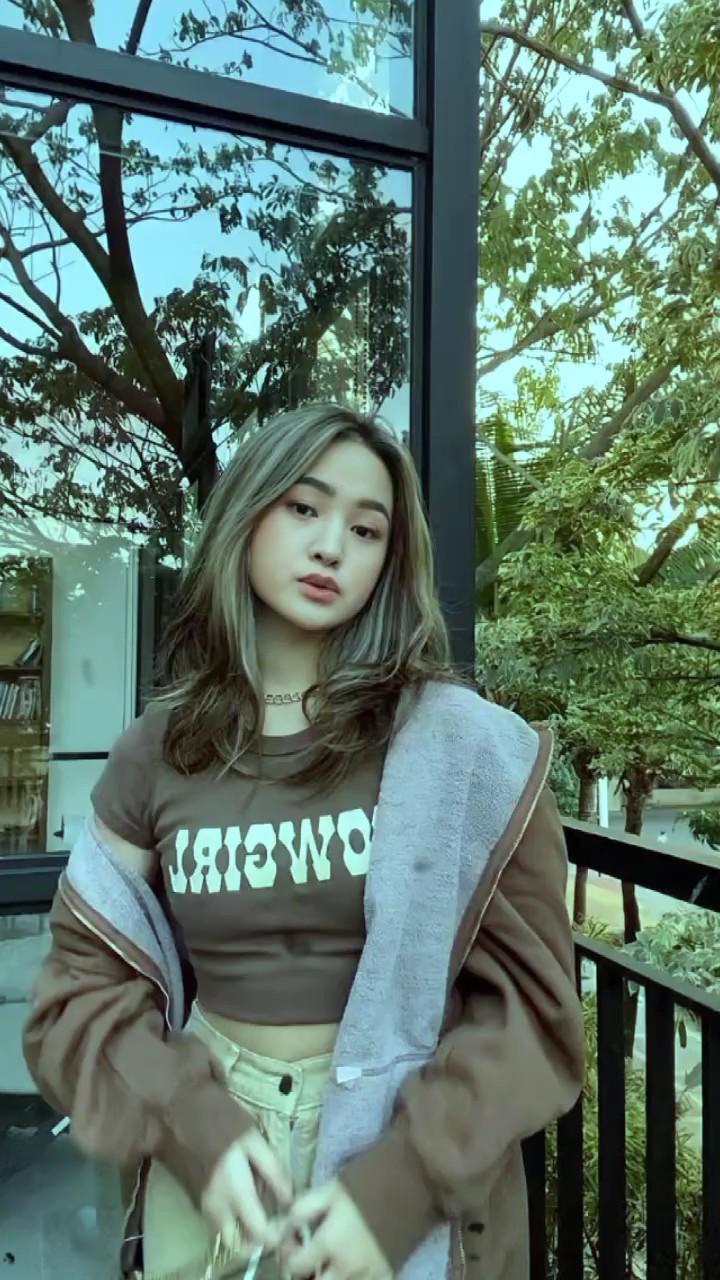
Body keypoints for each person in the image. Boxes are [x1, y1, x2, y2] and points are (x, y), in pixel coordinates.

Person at [23, 404, 585, 1280]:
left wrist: (399, 1185)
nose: (331, 547)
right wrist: (188, 1123)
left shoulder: (461, 750)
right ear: (248, 514)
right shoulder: (158, 749)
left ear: (390, 560)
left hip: (401, 1159)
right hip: (212, 1157)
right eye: (303, 508)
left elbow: (530, 1017)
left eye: (366, 530)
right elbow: (76, 995)